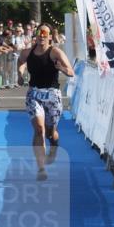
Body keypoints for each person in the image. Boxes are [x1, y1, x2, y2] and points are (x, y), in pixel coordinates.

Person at [18, 24, 75, 180]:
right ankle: (41, 168)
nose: (41, 35)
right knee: (39, 129)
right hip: (34, 94)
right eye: (39, 33)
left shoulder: (55, 52)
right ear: (35, 35)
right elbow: (21, 61)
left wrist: (62, 68)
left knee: (50, 133)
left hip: (52, 96)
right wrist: (20, 74)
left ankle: (54, 144)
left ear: (50, 36)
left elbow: (71, 72)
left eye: (44, 33)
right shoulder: (27, 52)